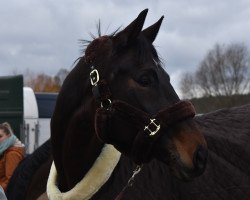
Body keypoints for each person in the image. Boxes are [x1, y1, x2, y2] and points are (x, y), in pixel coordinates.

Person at [0, 122, 25, 193]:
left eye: (0, 136)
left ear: (9, 136)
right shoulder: (4, 150)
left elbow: (11, 181)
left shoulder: (12, 154)